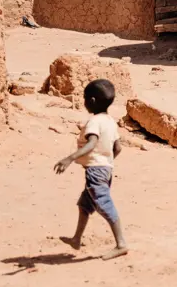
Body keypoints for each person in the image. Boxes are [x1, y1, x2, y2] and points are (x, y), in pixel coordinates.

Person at [53, 79, 128, 259]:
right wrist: (106, 162)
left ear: (92, 101)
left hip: (96, 171)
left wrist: (70, 158)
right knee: (85, 204)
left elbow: (92, 143)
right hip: (105, 170)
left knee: (104, 204)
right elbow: (117, 148)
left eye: (85, 98)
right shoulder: (110, 121)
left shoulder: (94, 122)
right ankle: (76, 239)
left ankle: (121, 244)